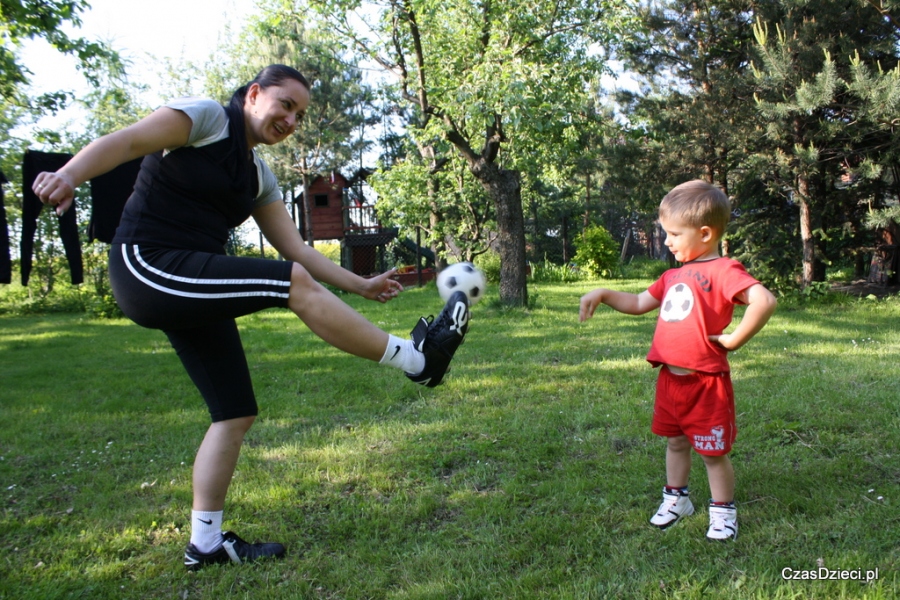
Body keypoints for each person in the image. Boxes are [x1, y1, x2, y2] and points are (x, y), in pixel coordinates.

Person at [33, 64, 470, 570]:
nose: (291, 120)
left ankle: (206, 544)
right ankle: (416, 360)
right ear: (255, 94)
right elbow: (128, 142)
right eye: (286, 104)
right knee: (288, 283)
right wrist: (68, 174)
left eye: (300, 115)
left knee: (234, 412)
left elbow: (298, 249)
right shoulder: (204, 119)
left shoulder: (259, 176)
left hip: (194, 276)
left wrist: (363, 284)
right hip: (147, 264)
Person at [579, 180, 776, 541]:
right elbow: (639, 303)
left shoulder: (725, 270)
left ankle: (722, 511)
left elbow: (764, 300)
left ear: (704, 233)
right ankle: (677, 499)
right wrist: (605, 293)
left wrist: (734, 339)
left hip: (706, 383)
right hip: (671, 381)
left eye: (673, 233)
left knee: (713, 453)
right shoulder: (672, 275)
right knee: (675, 443)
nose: (667, 241)